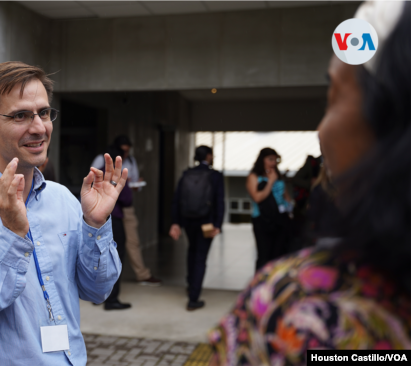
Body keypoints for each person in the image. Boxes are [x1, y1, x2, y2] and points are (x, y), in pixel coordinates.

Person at [209, 0, 411, 364]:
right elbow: (259, 195)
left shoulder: (297, 310)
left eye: (333, 97)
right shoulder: (262, 177)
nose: (321, 129)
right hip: (263, 223)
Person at [0, 61, 127, 366]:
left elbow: (97, 291)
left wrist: (94, 225)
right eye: (20, 115)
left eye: (44, 113)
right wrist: (11, 239)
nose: (39, 127)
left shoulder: (64, 200)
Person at [91, 135, 162, 286]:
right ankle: (102, 284)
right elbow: (93, 180)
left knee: (131, 241)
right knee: (105, 244)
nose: (125, 154)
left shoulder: (130, 160)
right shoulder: (101, 160)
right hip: (108, 207)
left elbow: (132, 183)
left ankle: (140, 274)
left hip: (124, 206)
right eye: (123, 151)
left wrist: (131, 186)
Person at [169, 145, 225, 311]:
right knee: (201, 256)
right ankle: (194, 298)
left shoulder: (187, 174)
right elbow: (219, 201)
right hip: (206, 221)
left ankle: (190, 283)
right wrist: (218, 224)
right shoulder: (214, 176)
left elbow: (177, 199)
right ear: (208, 156)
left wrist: (176, 222)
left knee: (192, 250)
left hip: (188, 221)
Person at [246, 147, 292, 271]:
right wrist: (270, 182)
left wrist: (290, 208)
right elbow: (257, 198)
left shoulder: (279, 176)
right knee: (264, 255)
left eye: (275, 160)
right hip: (262, 219)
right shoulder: (254, 176)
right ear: (262, 160)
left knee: (279, 255)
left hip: (280, 218)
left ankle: (275, 287)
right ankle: (259, 287)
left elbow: (286, 197)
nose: (273, 162)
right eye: (270, 159)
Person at [100, 145, 133, 310]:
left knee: (98, 257)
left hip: (95, 221)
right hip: (114, 220)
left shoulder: (96, 172)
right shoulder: (116, 175)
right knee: (116, 258)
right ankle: (112, 299)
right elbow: (127, 199)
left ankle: (98, 295)